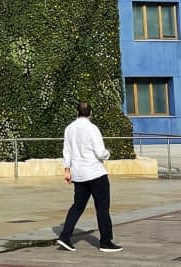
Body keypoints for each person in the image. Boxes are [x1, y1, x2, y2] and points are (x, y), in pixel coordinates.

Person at [57, 102, 123, 253]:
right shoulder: (92, 129)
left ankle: (65, 236)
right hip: (95, 173)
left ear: (77, 112)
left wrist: (67, 170)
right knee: (102, 207)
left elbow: (66, 151)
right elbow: (100, 152)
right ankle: (106, 241)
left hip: (78, 174)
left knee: (77, 206)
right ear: (90, 112)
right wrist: (108, 153)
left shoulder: (69, 129)